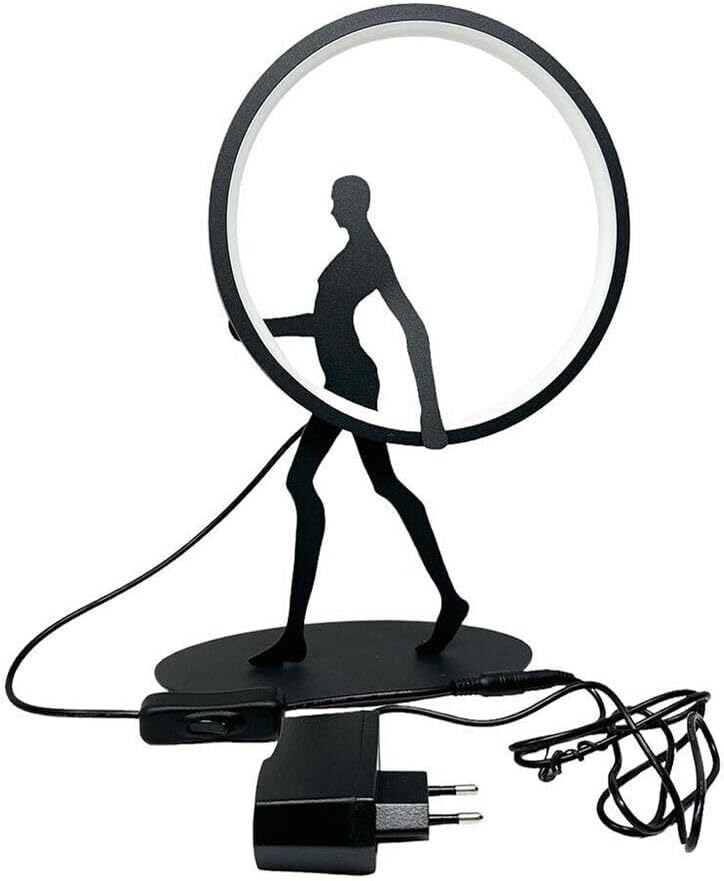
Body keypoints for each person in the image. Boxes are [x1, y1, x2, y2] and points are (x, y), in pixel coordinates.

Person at [238, 175, 468, 665]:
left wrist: (430, 412)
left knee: (316, 482)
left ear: (354, 203)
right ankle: (446, 600)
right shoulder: (356, 253)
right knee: (376, 484)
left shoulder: (370, 255)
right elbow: (325, 325)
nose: (331, 211)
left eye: (336, 202)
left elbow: (414, 328)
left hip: (354, 386)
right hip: (342, 385)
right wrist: (261, 330)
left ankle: (445, 600)